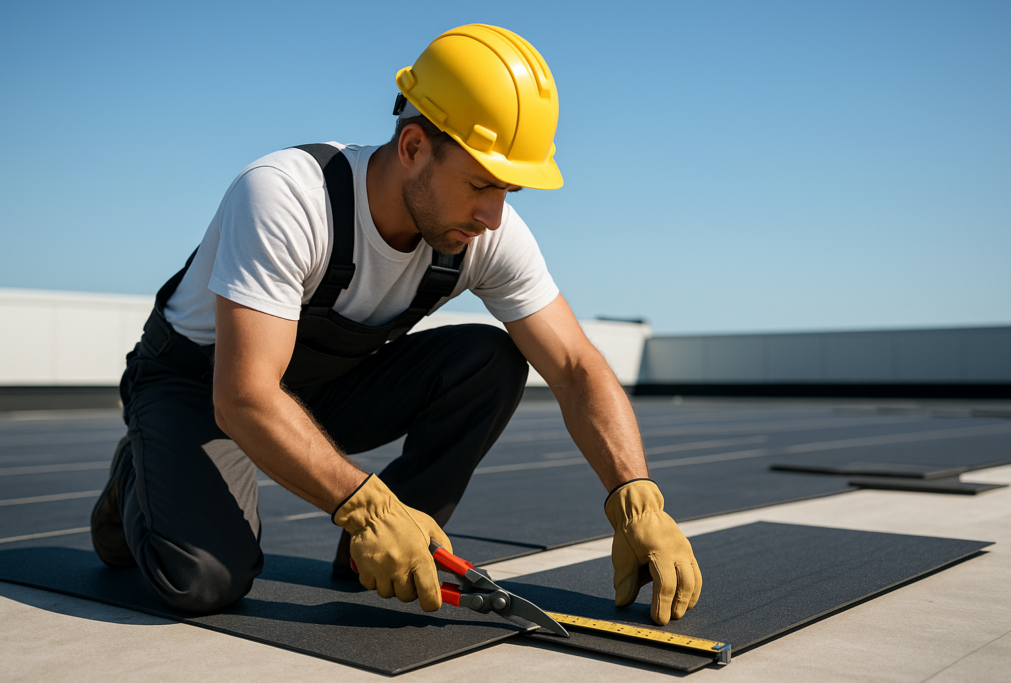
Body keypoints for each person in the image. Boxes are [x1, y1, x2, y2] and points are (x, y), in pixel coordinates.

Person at [90, 23, 701, 627]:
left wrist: (636, 500)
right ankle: (137, 472)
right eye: (482, 184)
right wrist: (367, 508)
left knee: (490, 360)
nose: (493, 215)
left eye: (509, 189)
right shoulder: (286, 198)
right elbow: (245, 395)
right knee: (206, 580)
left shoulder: (483, 232)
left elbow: (573, 367)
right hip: (203, 388)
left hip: (322, 388)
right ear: (412, 147)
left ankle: (382, 552)